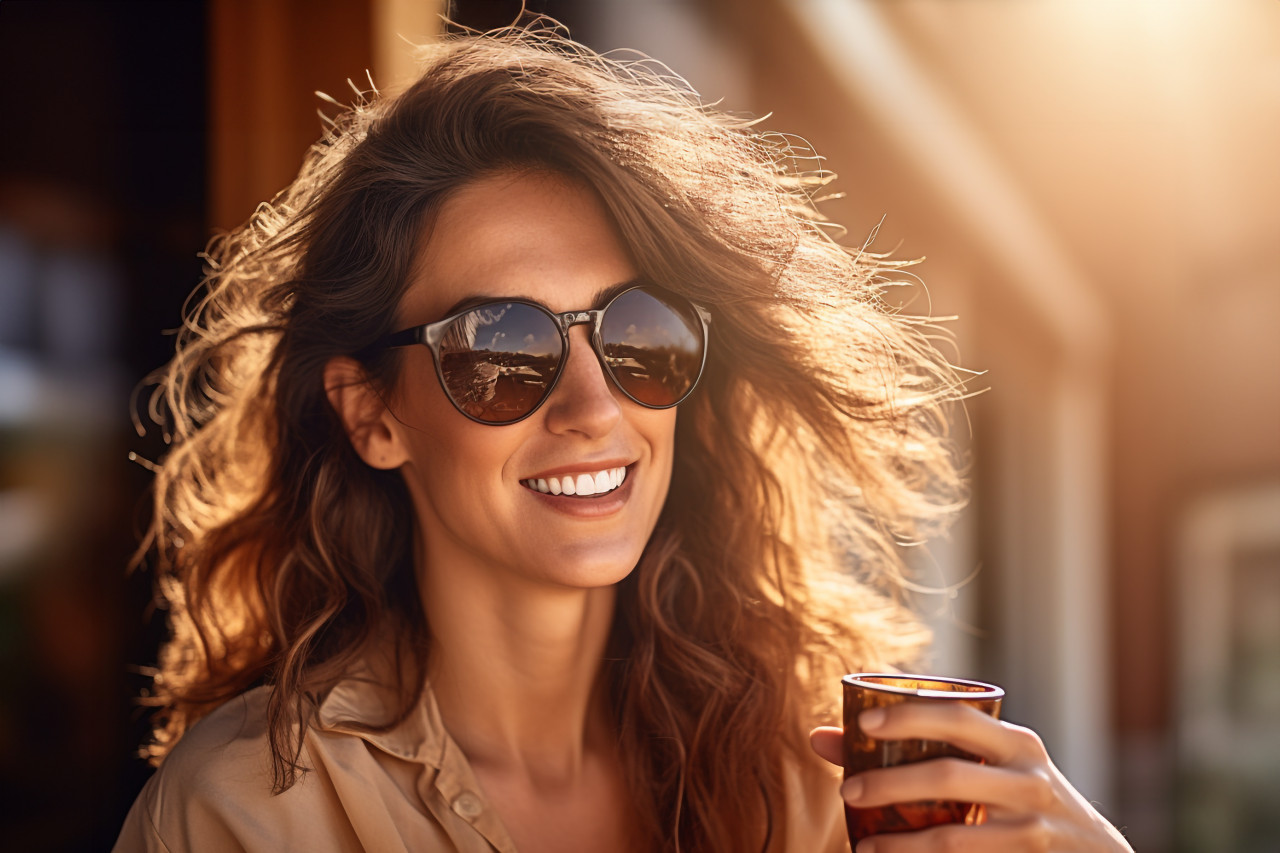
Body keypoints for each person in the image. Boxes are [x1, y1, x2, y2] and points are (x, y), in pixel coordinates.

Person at [115, 24, 1133, 853]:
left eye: (634, 332)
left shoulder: (811, 785)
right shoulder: (249, 816)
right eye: (501, 346)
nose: (593, 404)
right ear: (372, 415)